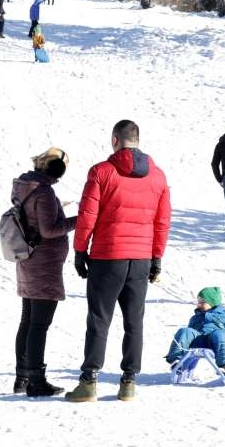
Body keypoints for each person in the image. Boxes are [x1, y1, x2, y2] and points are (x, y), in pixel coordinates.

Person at [66, 119, 171, 402]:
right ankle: (128, 382)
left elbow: (87, 215)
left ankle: (88, 382)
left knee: (99, 320)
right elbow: (162, 221)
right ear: (137, 139)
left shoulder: (102, 171)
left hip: (107, 256)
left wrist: (79, 251)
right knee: (134, 321)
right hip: (139, 258)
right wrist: (156, 257)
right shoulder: (158, 176)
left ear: (115, 140)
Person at [10, 147, 77, 396]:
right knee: (39, 325)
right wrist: (79, 220)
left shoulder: (25, 185)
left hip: (27, 258)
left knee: (28, 321)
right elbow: (49, 230)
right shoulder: (44, 192)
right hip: (44, 264)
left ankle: (22, 378)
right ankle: (36, 382)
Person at [164, 287, 225, 374]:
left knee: (220, 334)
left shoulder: (224, 318)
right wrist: (188, 367)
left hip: (216, 344)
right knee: (185, 331)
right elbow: (187, 338)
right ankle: (177, 361)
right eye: (198, 302)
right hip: (198, 341)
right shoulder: (195, 317)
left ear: (212, 303)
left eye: (202, 302)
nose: (198, 305)